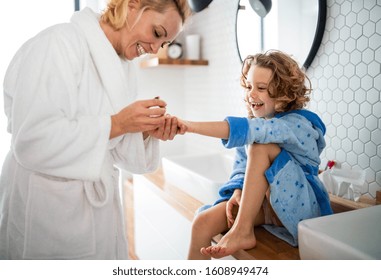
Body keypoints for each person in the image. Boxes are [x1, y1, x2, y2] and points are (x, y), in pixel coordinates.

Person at [0, 0, 192, 259]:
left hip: (96, 213)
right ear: (132, 5)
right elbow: (32, 141)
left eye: (165, 43)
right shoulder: (59, 44)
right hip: (48, 210)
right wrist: (120, 123)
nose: (156, 49)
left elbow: (112, 147)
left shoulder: (123, 66)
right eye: (157, 33)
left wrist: (144, 131)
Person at [177, 50, 333, 260]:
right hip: (268, 208)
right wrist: (238, 190)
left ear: (284, 93)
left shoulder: (298, 124)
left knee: (260, 145)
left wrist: (190, 126)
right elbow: (242, 165)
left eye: (261, 88)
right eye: (249, 86)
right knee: (202, 222)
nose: (251, 94)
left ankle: (242, 231)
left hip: (300, 206)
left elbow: (259, 133)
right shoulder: (257, 126)